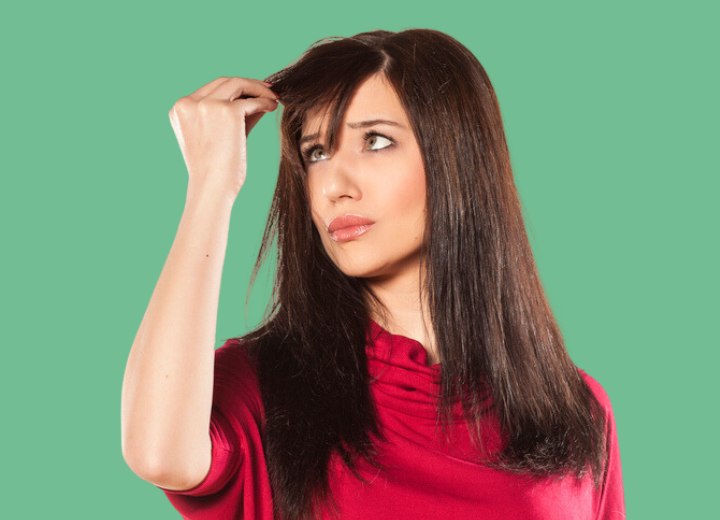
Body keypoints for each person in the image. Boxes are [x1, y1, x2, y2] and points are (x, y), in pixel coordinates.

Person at [121, 28, 626, 520]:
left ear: (457, 158)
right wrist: (212, 183)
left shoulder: (576, 410)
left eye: (376, 141)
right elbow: (158, 454)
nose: (334, 185)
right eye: (316, 152)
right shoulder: (268, 386)